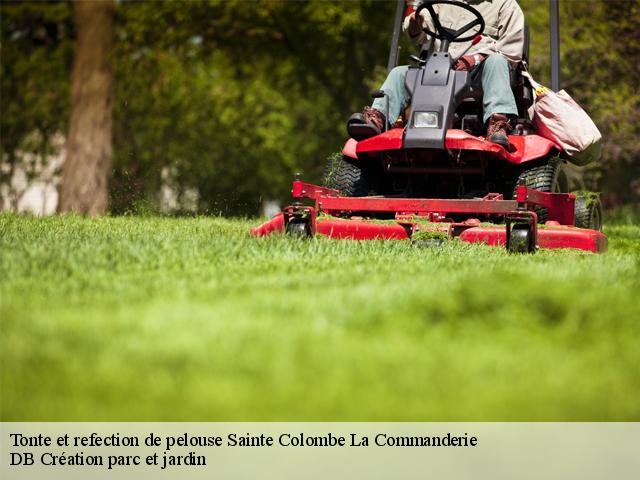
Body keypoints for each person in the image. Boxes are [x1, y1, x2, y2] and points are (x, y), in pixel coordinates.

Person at [347, 0, 525, 148]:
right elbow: (421, 32)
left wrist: (475, 59)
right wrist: (416, 24)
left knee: (497, 61)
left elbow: (511, 51)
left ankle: (498, 124)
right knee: (400, 73)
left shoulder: (506, 5)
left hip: (480, 73)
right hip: (442, 67)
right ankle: (377, 118)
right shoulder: (442, 2)